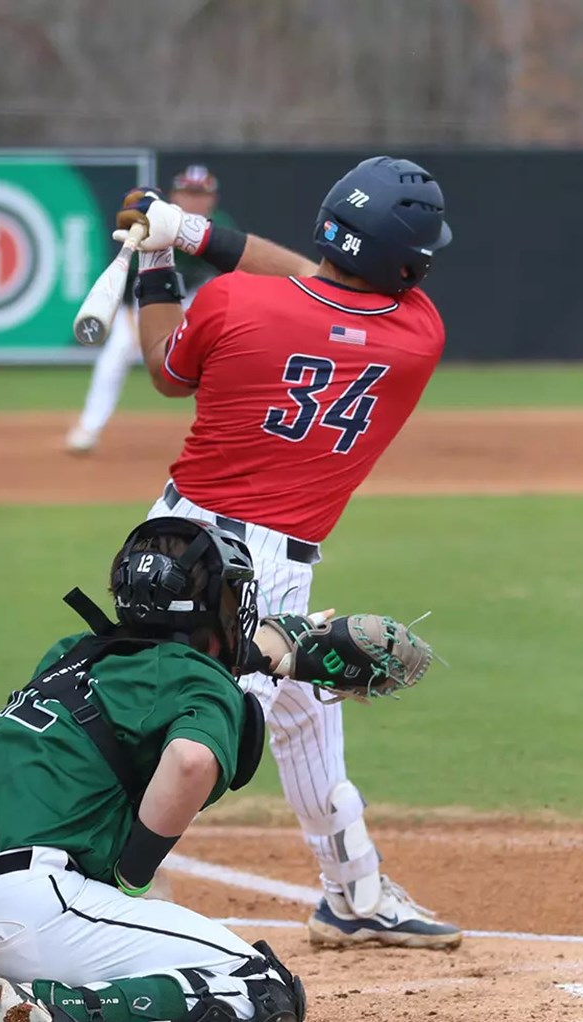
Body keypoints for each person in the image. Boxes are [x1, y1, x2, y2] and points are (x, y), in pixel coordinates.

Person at [111, 156, 461, 949]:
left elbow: (168, 368)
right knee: (191, 737)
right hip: (262, 571)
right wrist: (191, 231)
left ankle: (353, 892)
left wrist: (162, 256)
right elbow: (323, 282)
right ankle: (70, 883)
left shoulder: (236, 301)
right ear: (403, 260)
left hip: (169, 538)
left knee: (304, 717)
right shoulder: (418, 335)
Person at [0, 516, 431, 1022]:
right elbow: (190, 758)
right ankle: (52, 1008)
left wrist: (264, 653)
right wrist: (133, 875)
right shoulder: (202, 685)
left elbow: (149, 676)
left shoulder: (70, 652)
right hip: (13, 916)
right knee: (260, 988)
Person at [66, 164, 238, 455]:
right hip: (145, 294)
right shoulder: (155, 222)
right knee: (119, 348)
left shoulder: (220, 226)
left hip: (196, 297)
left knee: (224, 354)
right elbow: (127, 279)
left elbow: (231, 278)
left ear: (213, 199)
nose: (195, 199)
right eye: (188, 192)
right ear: (175, 196)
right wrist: (135, 324)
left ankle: (228, 432)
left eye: (201, 193)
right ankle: (89, 428)